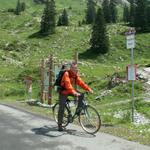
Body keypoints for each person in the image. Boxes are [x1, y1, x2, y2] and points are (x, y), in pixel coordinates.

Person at [57, 62, 93, 131]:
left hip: (70, 91)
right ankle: (59, 125)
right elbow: (68, 85)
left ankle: (78, 111)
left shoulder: (75, 75)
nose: (75, 69)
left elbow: (81, 83)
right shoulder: (66, 74)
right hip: (63, 91)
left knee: (81, 95)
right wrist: (74, 92)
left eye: (76, 68)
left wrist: (88, 89)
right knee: (61, 107)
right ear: (70, 68)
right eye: (73, 68)